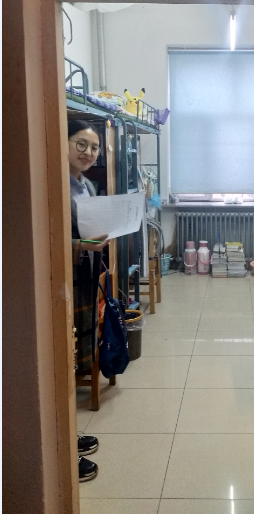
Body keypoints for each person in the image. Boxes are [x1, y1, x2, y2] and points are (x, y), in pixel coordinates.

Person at [68, 119, 110, 482]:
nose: (89, 152)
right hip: (64, 278)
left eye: (94, 147)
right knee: (62, 358)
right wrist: (81, 244)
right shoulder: (54, 184)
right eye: (81, 144)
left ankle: (69, 432)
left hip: (85, 276)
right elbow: (48, 235)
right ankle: (65, 447)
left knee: (78, 350)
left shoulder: (87, 185)